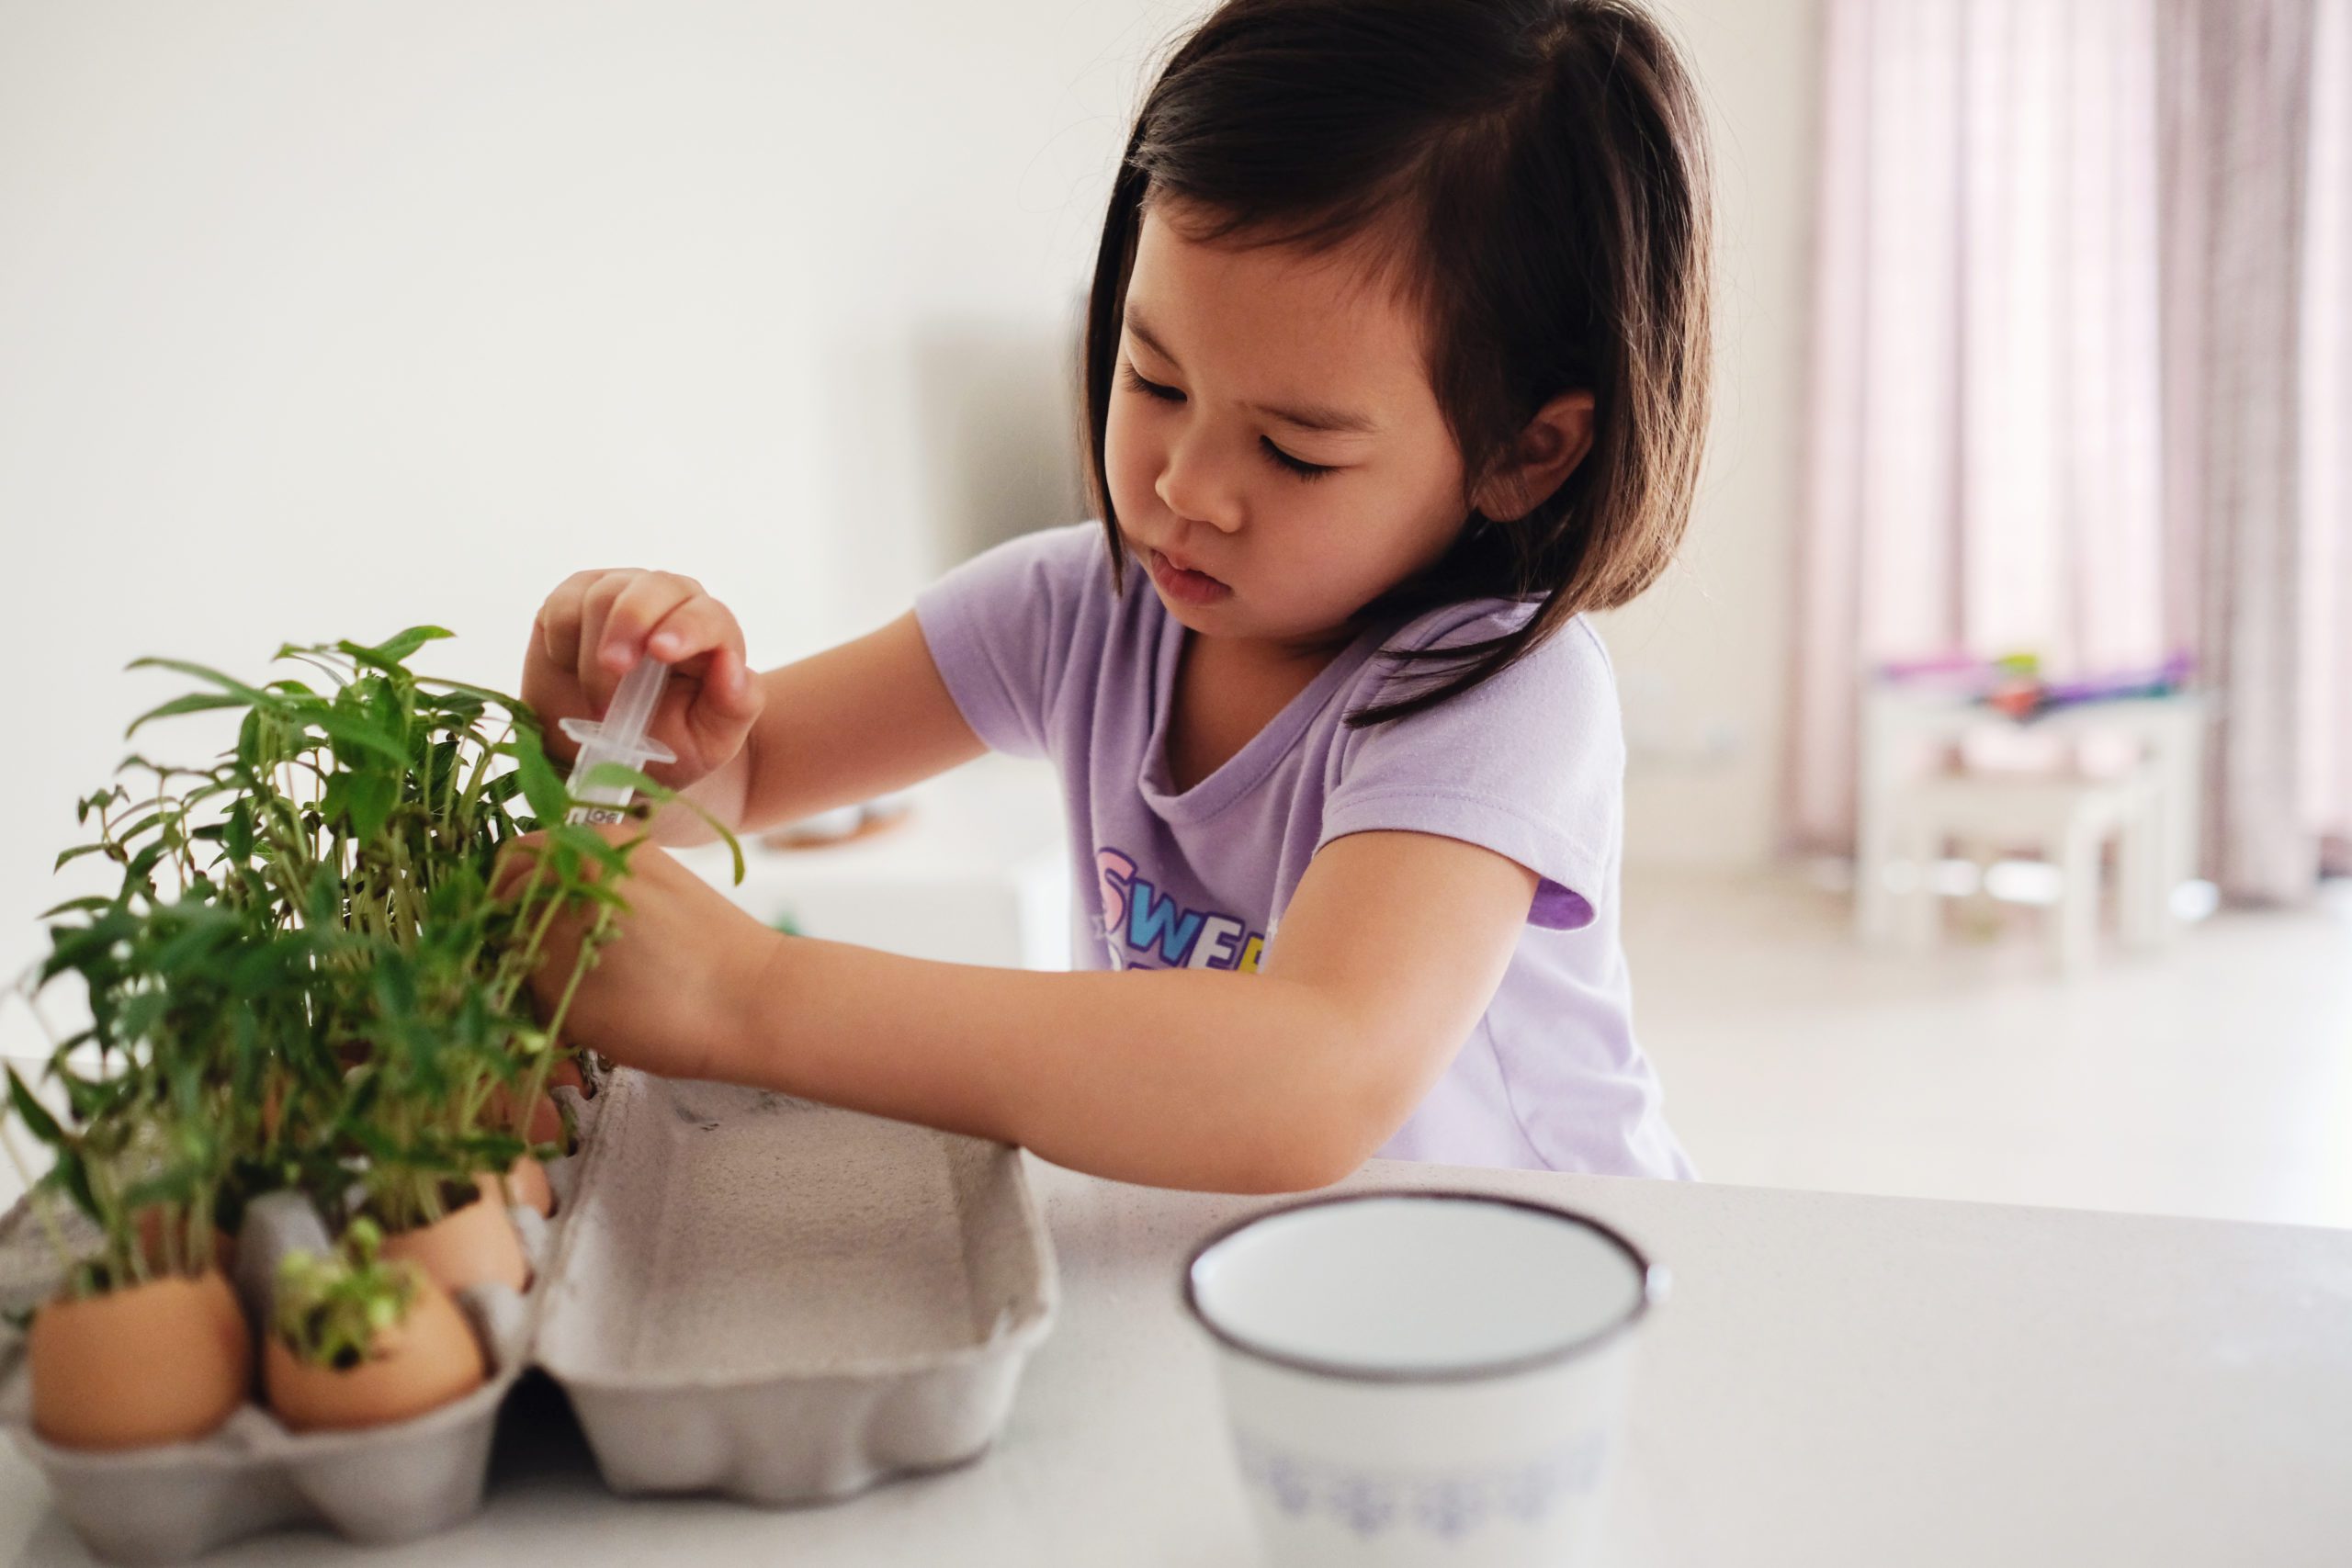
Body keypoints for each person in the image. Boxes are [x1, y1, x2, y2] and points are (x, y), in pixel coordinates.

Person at [519, 0, 1713, 1192]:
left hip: (1553, 1275)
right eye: (1152, 377)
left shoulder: (1503, 693)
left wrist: (751, 995)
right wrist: (631, 739)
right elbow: (751, 778)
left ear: (1523, 454)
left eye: (1296, 450)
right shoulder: (1077, 610)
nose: (1184, 489)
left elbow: (1309, 1081)